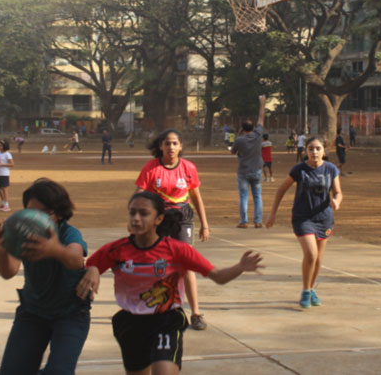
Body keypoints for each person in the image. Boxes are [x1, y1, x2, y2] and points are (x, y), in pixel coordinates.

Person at [77, 192, 263, 374]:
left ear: (158, 219)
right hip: (130, 323)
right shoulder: (116, 250)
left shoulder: (177, 250)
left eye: (144, 213)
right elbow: (90, 265)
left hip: (165, 320)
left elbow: (217, 276)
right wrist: (93, 269)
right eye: (132, 212)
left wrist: (240, 267)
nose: (136, 218)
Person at [0, 179, 90, 374]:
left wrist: (54, 249)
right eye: (31, 212)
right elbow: (9, 271)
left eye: (44, 212)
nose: (36, 218)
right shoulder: (23, 233)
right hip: (33, 312)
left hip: (70, 313)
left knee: (59, 372)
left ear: (59, 213)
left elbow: (75, 260)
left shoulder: (68, 233)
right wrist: (2, 248)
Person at [135, 129, 211, 331]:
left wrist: (204, 223)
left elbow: (196, 197)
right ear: (161, 146)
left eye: (175, 143)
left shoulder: (188, 168)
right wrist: (137, 219)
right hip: (159, 219)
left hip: (182, 219)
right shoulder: (151, 169)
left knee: (186, 266)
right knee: (157, 264)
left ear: (180, 146)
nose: (171, 147)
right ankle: (154, 309)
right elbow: (138, 196)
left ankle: (195, 313)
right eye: (167, 143)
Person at [265, 136, 343, 309]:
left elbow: (338, 192)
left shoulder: (331, 169)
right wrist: (272, 214)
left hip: (324, 219)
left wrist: (336, 201)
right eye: (310, 149)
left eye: (318, 148)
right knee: (311, 254)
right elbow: (281, 190)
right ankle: (306, 291)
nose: (314, 152)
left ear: (324, 150)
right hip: (303, 218)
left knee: (318, 259)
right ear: (306, 151)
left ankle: (312, 288)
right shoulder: (299, 170)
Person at [231, 95, 267, 229]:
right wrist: (262, 103)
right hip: (257, 170)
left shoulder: (239, 140)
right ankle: (258, 221)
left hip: (243, 171)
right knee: (258, 196)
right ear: (253, 127)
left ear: (242, 128)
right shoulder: (258, 135)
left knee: (244, 197)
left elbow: (232, 152)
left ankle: (244, 221)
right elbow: (261, 118)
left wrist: (238, 135)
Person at [0, 140, 14, 212]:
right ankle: (3, 203)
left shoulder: (7, 154)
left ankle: (7, 205)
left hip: (4, 173)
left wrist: (1, 164)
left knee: (4, 189)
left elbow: (12, 164)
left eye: (0, 145)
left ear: (4, 146)